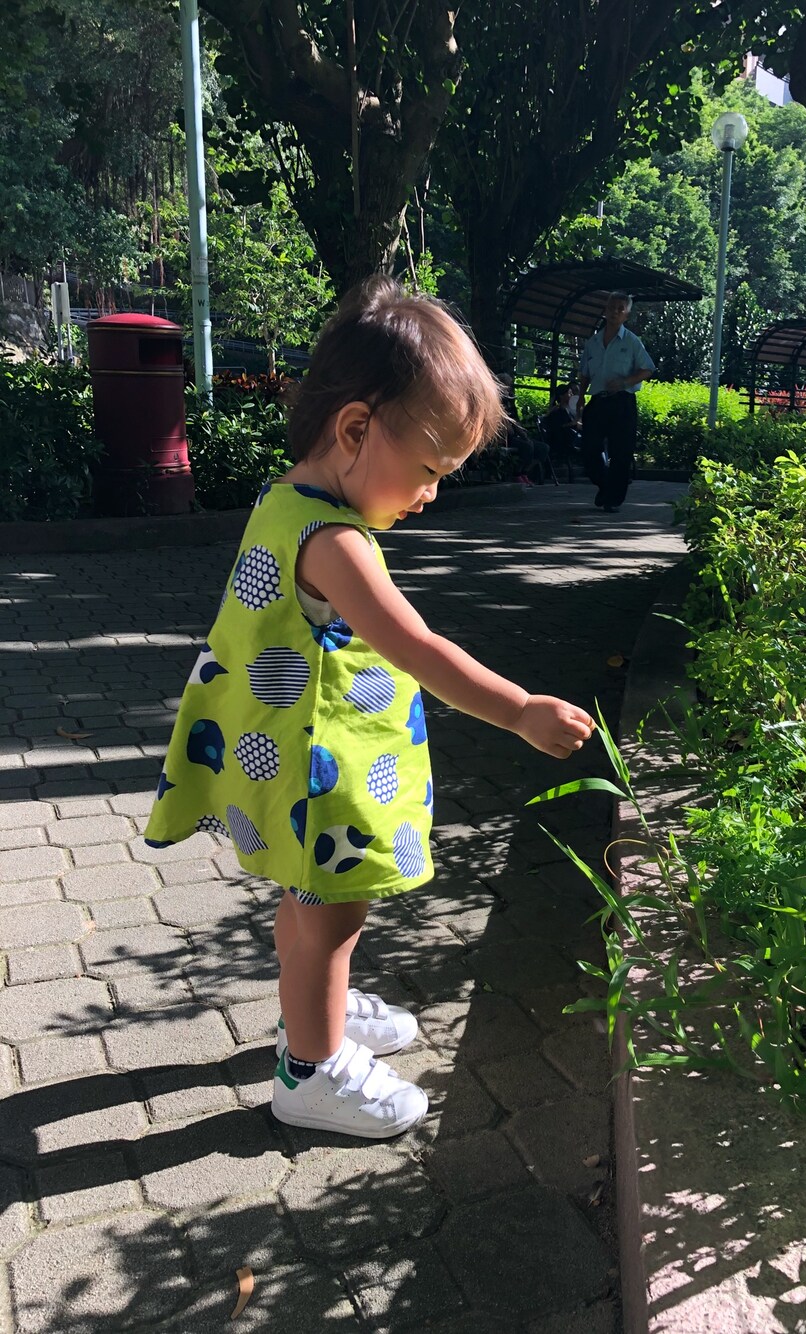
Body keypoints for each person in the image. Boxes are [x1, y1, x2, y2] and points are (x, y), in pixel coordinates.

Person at [143, 278, 594, 1140]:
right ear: (355, 430)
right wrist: (519, 709)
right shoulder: (337, 542)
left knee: (309, 906)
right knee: (333, 916)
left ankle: (315, 1008)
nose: (430, 496)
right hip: (323, 771)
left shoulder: (287, 501)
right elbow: (417, 648)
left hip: (293, 754)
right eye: (428, 471)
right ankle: (311, 1070)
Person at [578, 291, 655, 512]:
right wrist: (581, 397)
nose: (615, 312)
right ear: (605, 310)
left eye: (620, 309)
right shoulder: (593, 342)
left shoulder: (632, 342)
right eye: (612, 307)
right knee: (589, 449)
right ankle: (604, 485)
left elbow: (647, 369)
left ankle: (613, 500)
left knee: (621, 453)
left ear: (626, 315)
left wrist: (624, 382)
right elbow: (584, 373)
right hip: (598, 401)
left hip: (623, 402)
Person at [497, 371, 549, 484]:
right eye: (507, 385)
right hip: (505, 437)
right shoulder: (496, 401)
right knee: (527, 447)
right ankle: (517, 473)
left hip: (516, 434)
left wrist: (522, 433)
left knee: (543, 448)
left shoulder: (510, 400)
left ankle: (524, 472)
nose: (508, 388)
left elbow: (515, 419)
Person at [541, 383, 583, 473]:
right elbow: (560, 426)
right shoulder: (558, 410)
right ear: (562, 396)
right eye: (569, 393)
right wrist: (575, 424)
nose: (572, 395)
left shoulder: (567, 409)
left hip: (570, 436)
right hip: (564, 439)